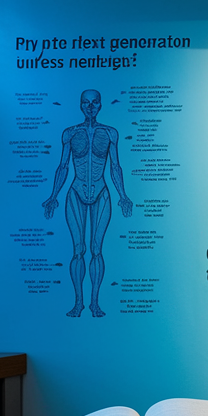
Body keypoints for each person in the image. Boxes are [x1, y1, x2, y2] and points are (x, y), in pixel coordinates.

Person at [42, 89, 133, 317]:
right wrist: (53, 195)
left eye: (94, 102)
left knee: (96, 250)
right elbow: (63, 167)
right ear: (80, 106)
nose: (90, 106)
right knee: (77, 251)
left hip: (102, 192)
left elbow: (115, 167)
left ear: (100, 105)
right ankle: (78, 303)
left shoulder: (110, 133)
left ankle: (94, 303)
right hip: (76, 192)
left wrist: (123, 195)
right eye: (86, 102)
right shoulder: (70, 134)